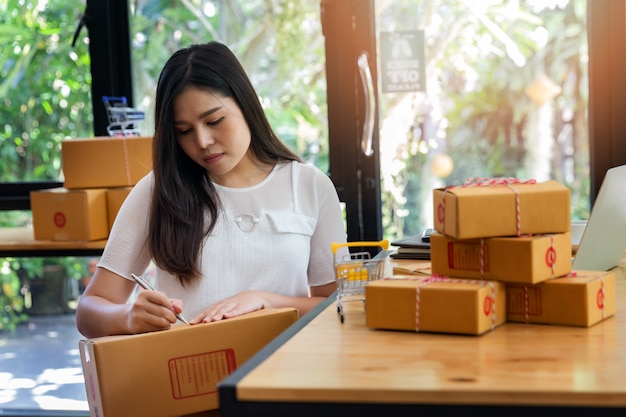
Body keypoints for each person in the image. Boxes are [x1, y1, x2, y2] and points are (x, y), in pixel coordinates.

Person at [76, 41, 348, 338]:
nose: (203, 141)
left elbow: (339, 305)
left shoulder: (309, 185)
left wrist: (266, 301)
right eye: (184, 131)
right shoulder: (159, 191)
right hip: (188, 375)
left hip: (283, 376)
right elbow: (90, 310)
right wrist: (129, 316)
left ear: (246, 103)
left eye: (214, 120)